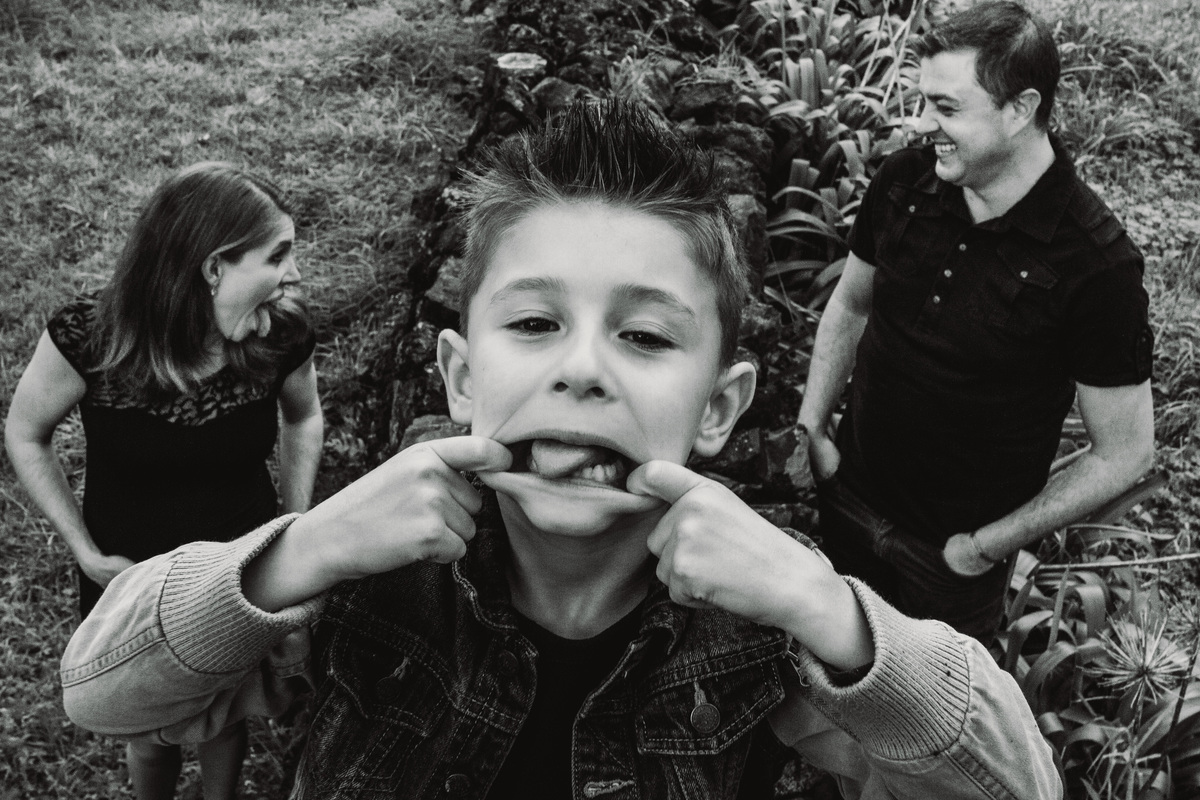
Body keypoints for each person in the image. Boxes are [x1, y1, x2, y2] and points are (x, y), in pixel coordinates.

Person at [59, 101, 1059, 799]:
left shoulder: (772, 639)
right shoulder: (361, 579)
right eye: (535, 323)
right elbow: (100, 690)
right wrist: (302, 550)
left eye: (646, 336)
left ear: (719, 408)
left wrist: (827, 610)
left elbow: (1019, 786)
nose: (583, 370)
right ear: (461, 377)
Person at [797, 0, 1155, 644]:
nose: (921, 123)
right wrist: (814, 425)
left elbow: (1125, 452)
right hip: (847, 497)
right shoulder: (904, 181)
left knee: (925, 704)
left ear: (1020, 109)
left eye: (946, 107)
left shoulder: (1097, 266)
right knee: (827, 666)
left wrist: (985, 547)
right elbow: (851, 305)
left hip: (950, 563)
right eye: (923, 100)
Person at [7, 163, 324, 800]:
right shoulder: (91, 338)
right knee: (151, 734)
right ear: (214, 269)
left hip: (237, 569)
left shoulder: (280, 332)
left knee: (225, 716)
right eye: (277, 255)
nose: (293, 274)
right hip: (130, 575)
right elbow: (25, 433)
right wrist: (85, 551)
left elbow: (304, 417)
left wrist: (294, 527)